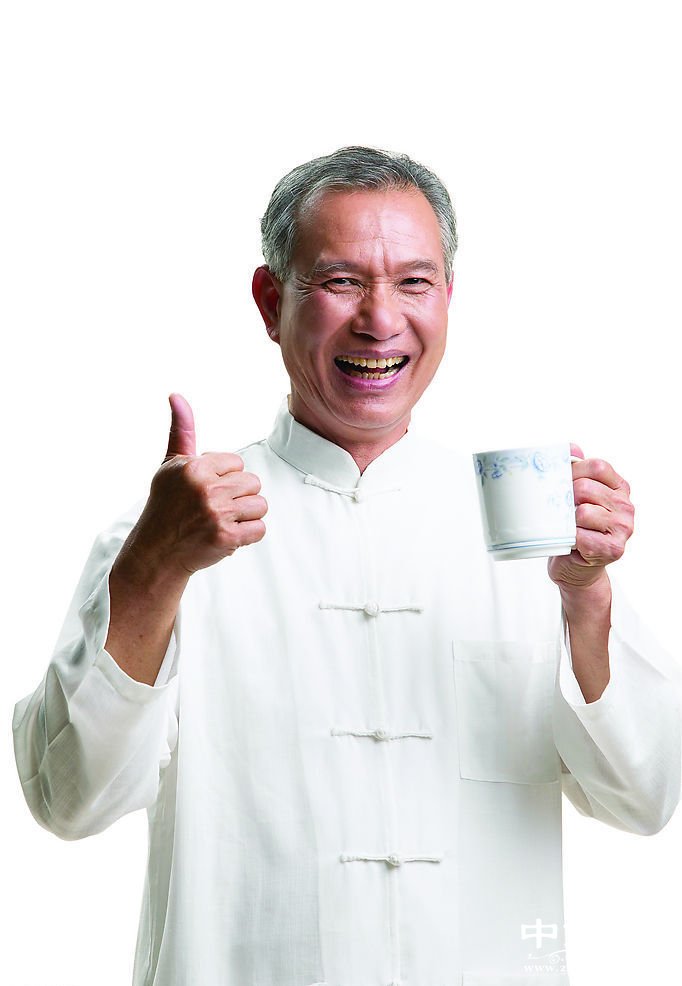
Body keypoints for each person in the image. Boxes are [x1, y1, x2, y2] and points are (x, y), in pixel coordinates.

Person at [12, 145, 681, 986]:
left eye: (414, 282)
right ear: (270, 302)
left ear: (449, 297)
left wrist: (586, 597)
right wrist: (153, 569)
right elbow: (68, 801)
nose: (380, 319)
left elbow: (645, 797)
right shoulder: (175, 532)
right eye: (339, 281)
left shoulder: (528, 534)